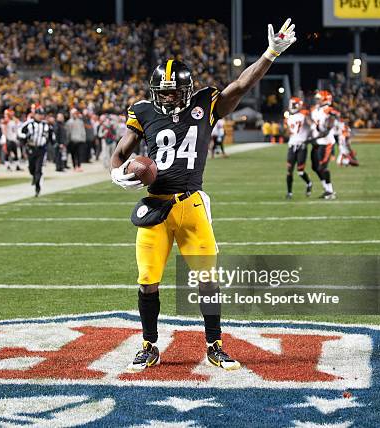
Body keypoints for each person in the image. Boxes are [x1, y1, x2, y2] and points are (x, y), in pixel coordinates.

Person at [110, 19, 296, 372]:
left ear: (187, 90)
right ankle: (149, 345)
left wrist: (271, 53)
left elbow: (242, 83)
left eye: (172, 91)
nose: (167, 97)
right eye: (162, 92)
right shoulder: (142, 111)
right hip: (156, 208)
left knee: (207, 279)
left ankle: (215, 344)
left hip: (192, 204)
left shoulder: (205, 103)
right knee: (148, 281)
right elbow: (121, 152)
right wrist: (117, 173)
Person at [21, 108, 55, 197]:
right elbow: (19, 132)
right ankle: (34, 177)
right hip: (31, 148)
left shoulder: (46, 125)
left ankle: (37, 186)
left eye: (42, 114)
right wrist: (25, 136)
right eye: (39, 114)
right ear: (35, 115)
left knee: (38, 168)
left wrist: (54, 143)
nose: (40, 116)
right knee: (31, 167)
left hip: (41, 148)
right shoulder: (29, 123)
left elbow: (51, 135)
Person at [310, 90, 337, 199]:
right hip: (317, 142)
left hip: (326, 142)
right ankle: (326, 189)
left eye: (319, 98)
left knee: (322, 167)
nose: (317, 100)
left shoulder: (328, 110)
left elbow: (329, 123)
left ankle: (330, 191)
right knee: (315, 167)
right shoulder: (316, 110)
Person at [285, 97, 312, 199]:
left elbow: (312, 125)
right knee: (289, 170)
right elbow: (289, 132)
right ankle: (289, 193)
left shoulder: (304, 115)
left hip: (302, 146)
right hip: (292, 145)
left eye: (293, 104)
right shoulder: (289, 118)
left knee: (300, 171)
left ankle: (309, 183)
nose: (291, 106)